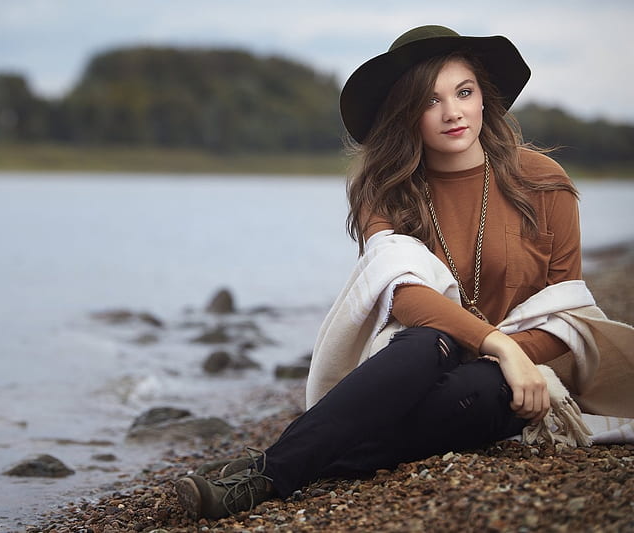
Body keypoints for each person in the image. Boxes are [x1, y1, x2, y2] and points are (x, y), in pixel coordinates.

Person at [173, 25, 634, 520]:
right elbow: (404, 295)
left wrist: (510, 355)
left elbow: (565, 309)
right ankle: (272, 473)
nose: (453, 112)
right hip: (422, 354)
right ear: (405, 113)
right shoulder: (387, 189)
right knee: (421, 343)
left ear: (484, 98)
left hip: (516, 373)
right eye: (430, 101)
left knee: (480, 389)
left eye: (464, 92)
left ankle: (275, 468)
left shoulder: (541, 180)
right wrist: (492, 342)